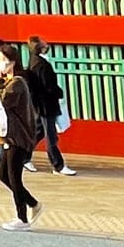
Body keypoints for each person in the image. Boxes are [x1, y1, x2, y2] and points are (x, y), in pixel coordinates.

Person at [0, 43, 40, 230]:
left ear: (13, 62)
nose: (0, 64)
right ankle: (33, 203)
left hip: (18, 138)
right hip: (10, 137)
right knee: (2, 174)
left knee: (14, 177)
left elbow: (2, 100)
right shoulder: (11, 82)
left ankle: (22, 218)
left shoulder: (17, 83)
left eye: (4, 60)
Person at [23, 36, 78, 176]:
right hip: (46, 105)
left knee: (38, 132)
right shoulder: (41, 64)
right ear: (40, 47)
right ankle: (57, 165)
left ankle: (23, 157)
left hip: (41, 104)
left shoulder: (34, 61)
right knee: (51, 136)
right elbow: (48, 86)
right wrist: (59, 92)